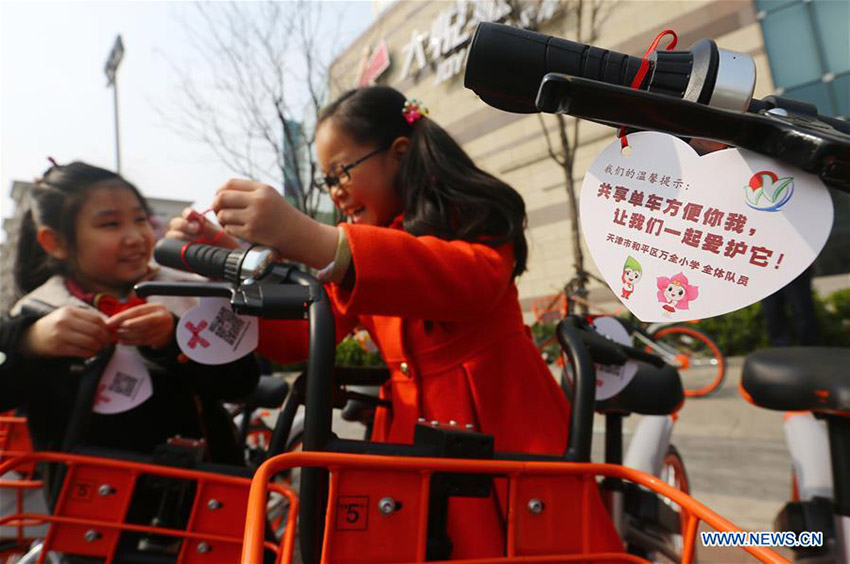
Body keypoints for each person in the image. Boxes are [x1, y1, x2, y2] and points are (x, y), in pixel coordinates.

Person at [168, 86, 622, 558]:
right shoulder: (359, 254)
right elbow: (303, 336)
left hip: (504, 432)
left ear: (398, 154)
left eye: (341, 171)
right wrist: (222, 257)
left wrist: (312, 238)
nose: (335, 190)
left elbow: (465, 280)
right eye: (327, 180)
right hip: (411, 446)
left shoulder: (467, 217)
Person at [0, 161, 259, 464]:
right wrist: (28, 342)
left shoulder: (188, 292)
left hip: (203, 482)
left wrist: (174, 338)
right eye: (111, 224)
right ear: (55, 242)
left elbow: (242, 383)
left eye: (140, 219)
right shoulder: (37, 312)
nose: (135, 236)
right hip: (87, 488)